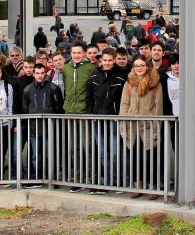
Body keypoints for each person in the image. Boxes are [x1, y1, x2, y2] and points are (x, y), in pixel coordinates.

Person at [119, 55, 163, 200]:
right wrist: (122, 126)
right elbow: (124, 104)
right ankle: (137, 184)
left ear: (147, 66)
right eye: (136, 65)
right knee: (134, 156)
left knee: (151, 157)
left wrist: (157, 129)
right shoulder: (129, 83)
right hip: (132, 125)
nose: (139, 68)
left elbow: (158, 107)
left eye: (142, 65)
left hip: (149, 125)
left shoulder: (155, 83)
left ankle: (153, 185)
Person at [86, 48, 127, 189]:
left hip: (114, 120)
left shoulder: (121, 77)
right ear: (101, 60)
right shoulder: (94, 77)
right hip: (98, 119)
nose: (107, 63)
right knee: (103, 152)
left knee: (115, 152)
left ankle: (117, 180)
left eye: (110, 60)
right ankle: (108, 180)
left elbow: (123, 100)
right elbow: (89, 98)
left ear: (114, 60)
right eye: (105, 60)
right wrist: (91, 114)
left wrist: (120, 117)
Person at [22, 64, 64, 186]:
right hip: (34, 128)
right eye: (37, 73)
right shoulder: (27, 89)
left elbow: (59, 106)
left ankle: (53, 179)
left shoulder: (53, 88)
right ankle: (37, 178)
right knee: (36, 155)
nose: (40, 76)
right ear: (33, 74)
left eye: (42, 73)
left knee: (51, 154)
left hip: (50, 128)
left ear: (44, 74)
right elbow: (25, 109)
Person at [62, 40, 96, 192]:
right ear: (70, 54)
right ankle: (77, 178)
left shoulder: (90, 68)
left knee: (87, 146)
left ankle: (92, 178)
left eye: (79, 53)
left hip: (84, 111)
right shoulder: (66, 68)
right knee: (74, 147)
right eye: (73, 53)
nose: (76, 55)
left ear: (83, 54)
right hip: (70, 111)